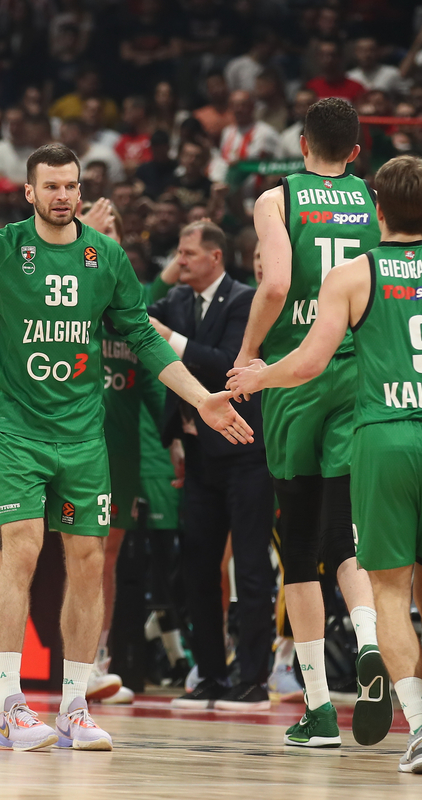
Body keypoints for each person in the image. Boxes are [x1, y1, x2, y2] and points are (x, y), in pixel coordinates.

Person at [229, 155, 422, 774]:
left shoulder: (353, 275)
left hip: (384, 437)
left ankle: (420, 729)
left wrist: (260, 373)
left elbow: (309, 363)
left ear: (378, 211)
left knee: (389, 591)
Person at [0, 143, 251, 752]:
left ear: (79, 192)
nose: (63, 195)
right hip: (15, 431)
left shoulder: (106, 257)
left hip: (83, 435)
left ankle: (72, 706)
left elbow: (143, 337)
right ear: (29, 192)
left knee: (89, 561)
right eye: (51, 186)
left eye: (71, 185)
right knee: (23, 550)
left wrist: (200, 399)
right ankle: (8, 704)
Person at [231, 98, 388, 746]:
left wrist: (248, 356)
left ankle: (319, 708)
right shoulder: (373, 201)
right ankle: (373, 643)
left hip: (296, 373)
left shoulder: (277, 199)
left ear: (300, 145)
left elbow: (274, 286)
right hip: (358, 370)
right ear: (356, 151)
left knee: (297, 548)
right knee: (345, 538)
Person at [148, 220, 271, 712]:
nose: (180, 261)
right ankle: (211, 677)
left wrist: (169, 340)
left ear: (215, 257)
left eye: (188, 253)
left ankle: (254, 680)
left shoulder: (244, 300)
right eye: (178, 253)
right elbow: (133, 314)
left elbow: (227, 363)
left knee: (252, 566)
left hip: (246, 456)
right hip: (198, 457)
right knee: (197, 568)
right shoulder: (174, 301)